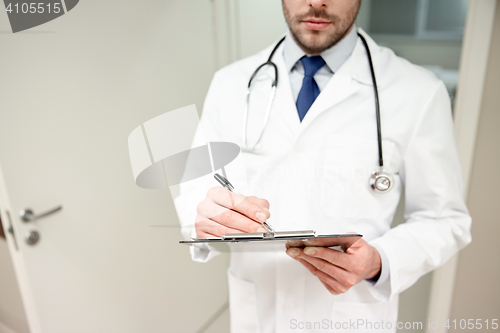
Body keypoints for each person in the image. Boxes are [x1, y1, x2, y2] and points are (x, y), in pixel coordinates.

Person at [175, 0, 472, 332]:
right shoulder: (230, 83)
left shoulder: (416, 91)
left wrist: (379, 261)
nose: (317, 2)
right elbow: (196, 194)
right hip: (257, 315)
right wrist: (206, 218)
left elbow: (444, 219)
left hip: (352, 317)